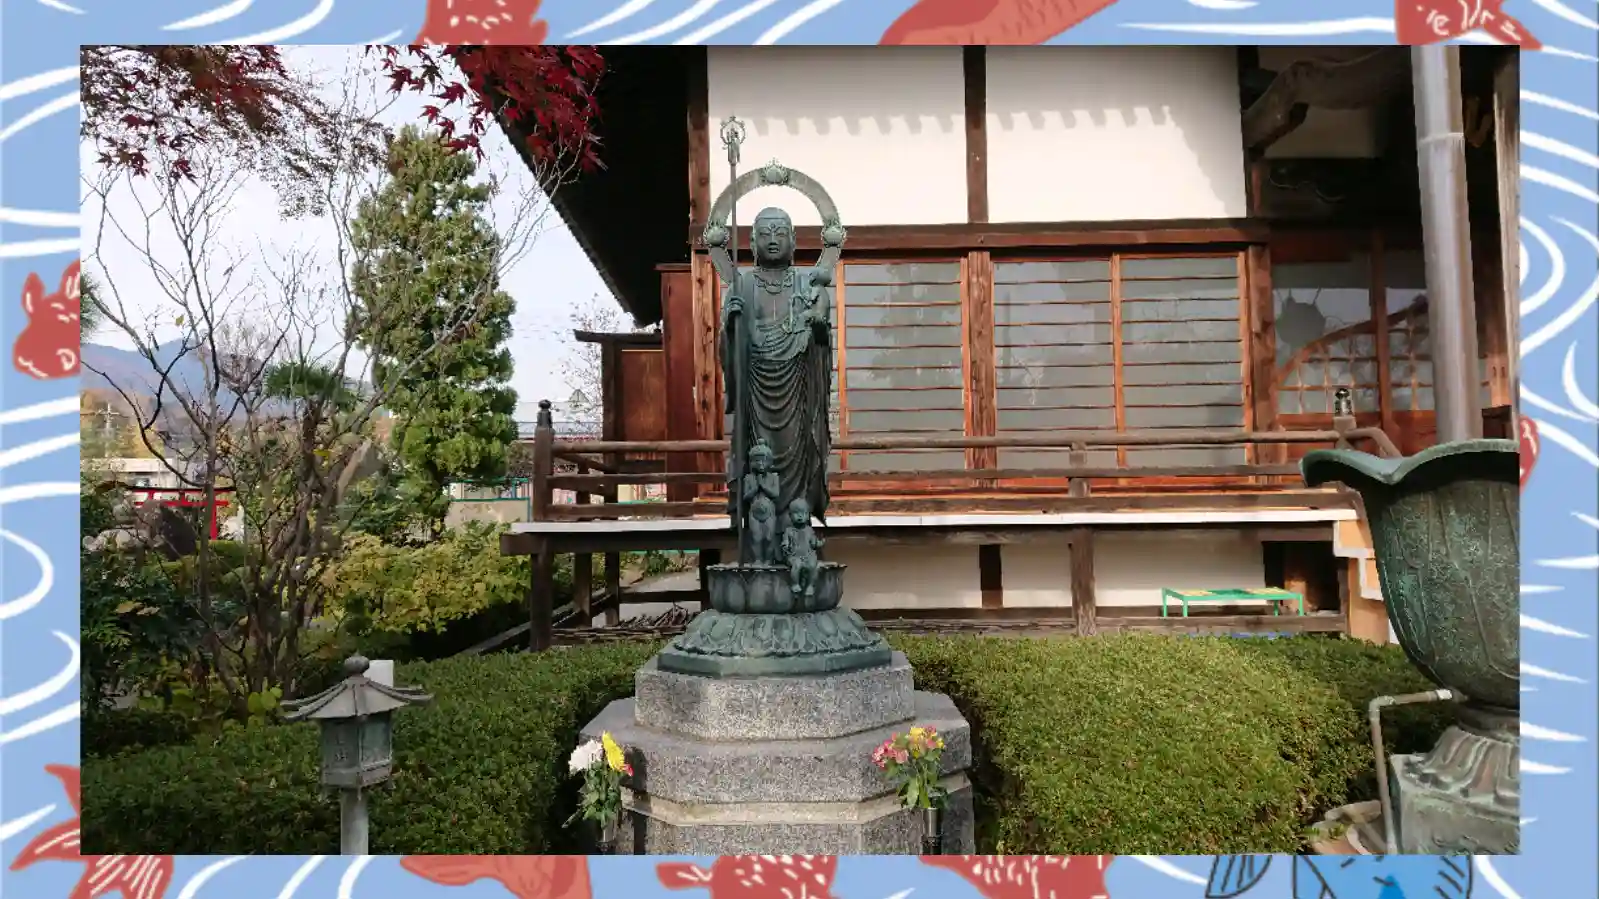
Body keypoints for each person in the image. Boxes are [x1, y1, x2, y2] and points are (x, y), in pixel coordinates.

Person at [780, 498, 823, 600]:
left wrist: (819, 543)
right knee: (797, 565)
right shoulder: (789, 531)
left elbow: (813, 542)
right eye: (796, 513)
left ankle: (810, 585)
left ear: (808, 516)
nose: (800, 516)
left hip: (808, 555)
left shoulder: (809, 530)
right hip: (794, 556)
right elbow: (785, 542)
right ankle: (795, 584)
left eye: (803, 513)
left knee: (812, 565)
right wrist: (785, 546)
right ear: (790, 516)